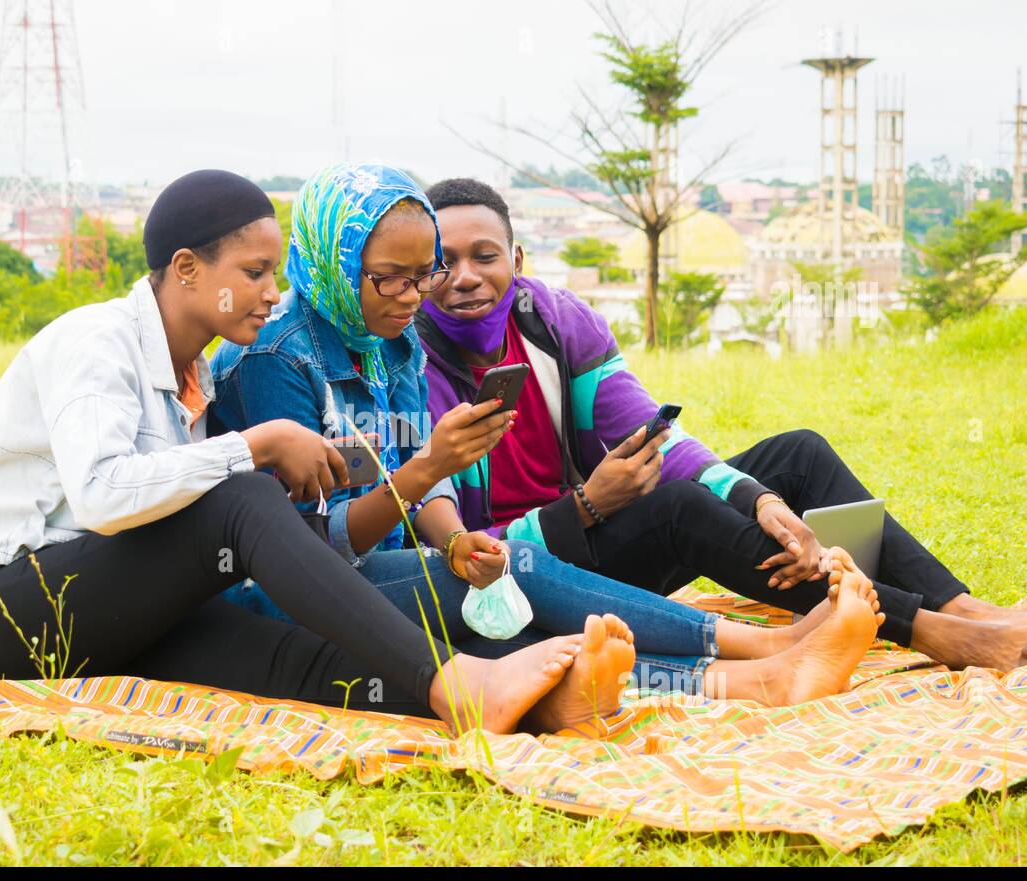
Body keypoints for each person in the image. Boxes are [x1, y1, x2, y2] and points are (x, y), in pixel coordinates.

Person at [0, 168, 615, 737]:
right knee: (244, 493)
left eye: (275, 271)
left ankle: (523, 706)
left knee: (280, 656)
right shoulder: (95, 341)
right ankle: (461, 681)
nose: (271, 292)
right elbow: (104, 495)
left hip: (96, 602)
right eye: (254, 272)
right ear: (188, 270)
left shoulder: (190, 371)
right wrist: (256, 445)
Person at [210, 162, 884, 725]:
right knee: (519, 580)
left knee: (515, 619)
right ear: (335, 260)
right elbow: (305, 551)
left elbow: (420, 486)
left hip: (386, 566)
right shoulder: (278, 360)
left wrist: (452, 540)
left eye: (425, 274)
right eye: (394, 276)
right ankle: (767, 648)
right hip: (294, 592)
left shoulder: (392, 339)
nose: (418, 296)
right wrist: (429, 473)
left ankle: (756, 680)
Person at [414, 176, 1027, 673]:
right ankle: (929, 631)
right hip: (519, 573)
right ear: (422, 272)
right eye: (444, 263)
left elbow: (653, 434)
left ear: (516, 260)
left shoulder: (554, 322)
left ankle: (965, 606)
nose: (465, 277)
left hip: (593, 528)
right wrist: (583, 508)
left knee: (798, 456)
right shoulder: (409, 366)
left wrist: (758, 502)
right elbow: (452, 543)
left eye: (485, 256)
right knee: (678, 508)